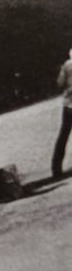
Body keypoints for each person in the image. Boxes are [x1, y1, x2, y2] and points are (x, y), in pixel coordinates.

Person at [52, 48, 72, 177]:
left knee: (64, 135)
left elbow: (60, 83)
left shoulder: (67, 65)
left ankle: (56, 168)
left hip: (69, 104)